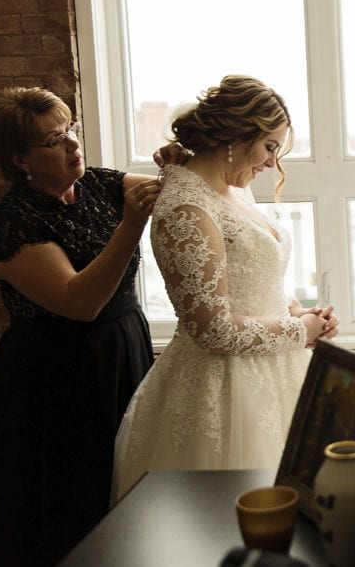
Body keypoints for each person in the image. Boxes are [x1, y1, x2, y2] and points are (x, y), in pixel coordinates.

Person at [0, 87, 164, 566]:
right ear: (20, 160)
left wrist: (177, 163)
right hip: (54, 374)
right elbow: (79, 302)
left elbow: (177, 190)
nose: (73, 145)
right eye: (54, 141)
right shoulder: (12, 222)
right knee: (66, 496)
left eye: (70, 130)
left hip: (124, 346)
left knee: (125, 477)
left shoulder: (100, 183)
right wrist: (130, 228)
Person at [111, 74, 338, 500]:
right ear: (236, 135)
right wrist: (299, 332)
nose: (272, 163)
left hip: (273, 373)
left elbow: (256, 280)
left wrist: (300, 313)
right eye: (270, 146)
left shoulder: (231, 191)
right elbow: (212, 329)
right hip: (223, 389)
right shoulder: (185, 207)